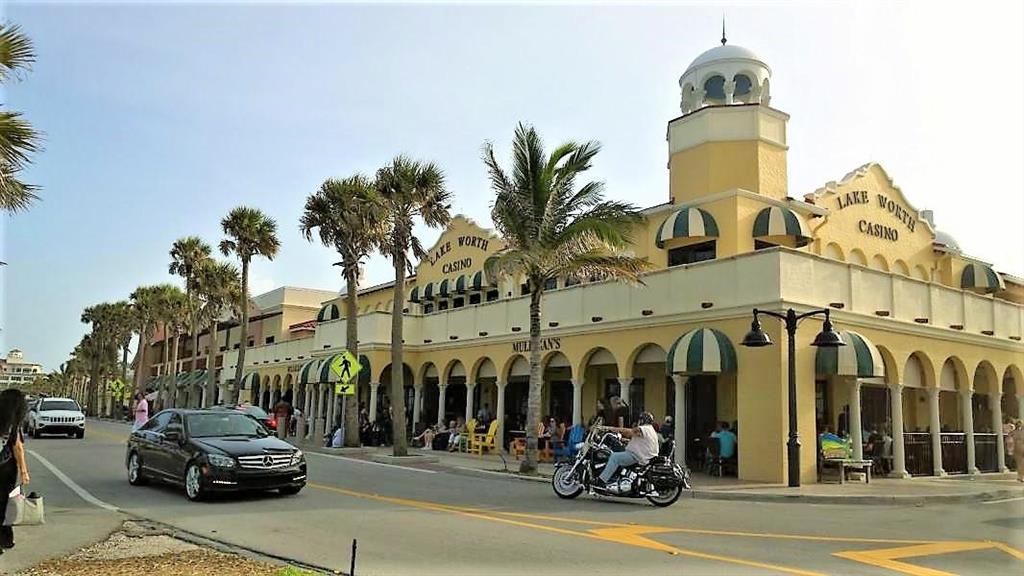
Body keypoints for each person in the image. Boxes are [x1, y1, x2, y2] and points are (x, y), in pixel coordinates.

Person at [0, 389, 31, 554]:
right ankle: (4, 539)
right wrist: (24, 471)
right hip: (5, 468)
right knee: (5, 504)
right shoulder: (12, 423)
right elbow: (17, 447)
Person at [595, 411, 659, 487]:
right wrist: (622, 440)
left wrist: (607, 428)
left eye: (639, 420)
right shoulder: (650, 430)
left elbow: (629, 431)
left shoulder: (644, 428)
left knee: (614, 457)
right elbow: (640, 441)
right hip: (645, 456)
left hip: (638, 457)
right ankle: (616, 478)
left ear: (642, 420)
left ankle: (601, 481)